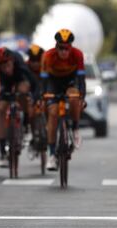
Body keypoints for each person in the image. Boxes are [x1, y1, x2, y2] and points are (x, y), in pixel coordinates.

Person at [41, 29, 86, 171]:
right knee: (53, 113)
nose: (64, 52)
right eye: (61, 48)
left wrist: (82, 98)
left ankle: (75, 128)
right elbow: (43, 80)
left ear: (71, 47)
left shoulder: (77, 54)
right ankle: (52, 154)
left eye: (67, 48)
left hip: (70, 82)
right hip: (53, 83)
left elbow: (81, 79)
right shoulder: (48, 56)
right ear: (56, 46)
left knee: (74, 98)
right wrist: (43, 96)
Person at [0, 47, 37, 167]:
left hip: (19, 80)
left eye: (8, 65)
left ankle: (26, 124)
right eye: (2, 66)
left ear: (12, 61)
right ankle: (2, 148)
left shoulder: (19, 61)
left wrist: (34, 96)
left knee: (23, 91)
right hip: (4, 84)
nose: (6, 68)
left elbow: (32, 82)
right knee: (0, 109)